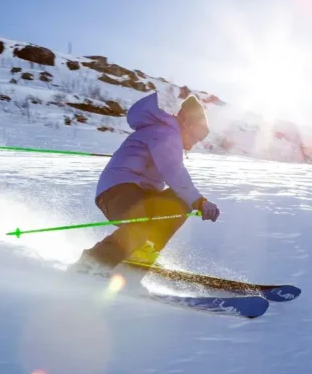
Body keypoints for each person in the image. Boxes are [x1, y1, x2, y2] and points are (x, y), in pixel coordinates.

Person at [70, 91, 220, 275]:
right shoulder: (166, 133)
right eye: (199, 133)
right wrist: (199, 201)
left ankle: (139, 259)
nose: (197, 141)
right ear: (187, 124)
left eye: (203, 136)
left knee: (177, 201)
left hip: (137, 191)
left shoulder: (166, 133)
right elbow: (173, 170)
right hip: (118, 191)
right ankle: (93, 263)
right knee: (145, 219)